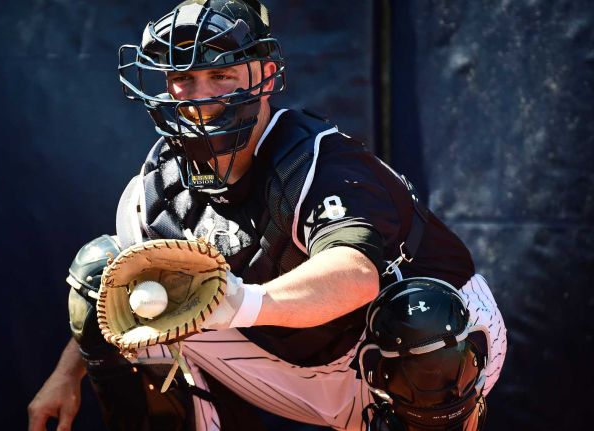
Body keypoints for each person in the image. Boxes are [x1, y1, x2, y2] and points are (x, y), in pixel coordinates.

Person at [28, 1, 507, 430]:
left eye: (221, 75)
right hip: (285, 360)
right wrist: (64, 375)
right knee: (101, 274)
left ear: (264, 75)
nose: (200, 96)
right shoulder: (155, 193)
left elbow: (356, 275)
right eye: (184, 78)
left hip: (396, 352)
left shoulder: (316, 161)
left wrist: (238, 302)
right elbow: (112, 299)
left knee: (419, 322)